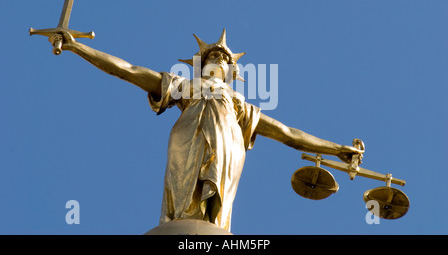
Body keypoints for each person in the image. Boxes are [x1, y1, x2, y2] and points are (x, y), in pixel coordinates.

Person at [47, 29, 363, 231]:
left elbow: (288, 133)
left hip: (228, 148)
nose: (217, 59)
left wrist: (338, 149)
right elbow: (128, 71)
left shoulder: (240, 104)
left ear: (230, 71)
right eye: (212, 55)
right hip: (188, 139)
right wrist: (78, 49)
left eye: (223, 59)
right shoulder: (187, 86)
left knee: (214, 218)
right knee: (184, 206)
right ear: (200, 64)